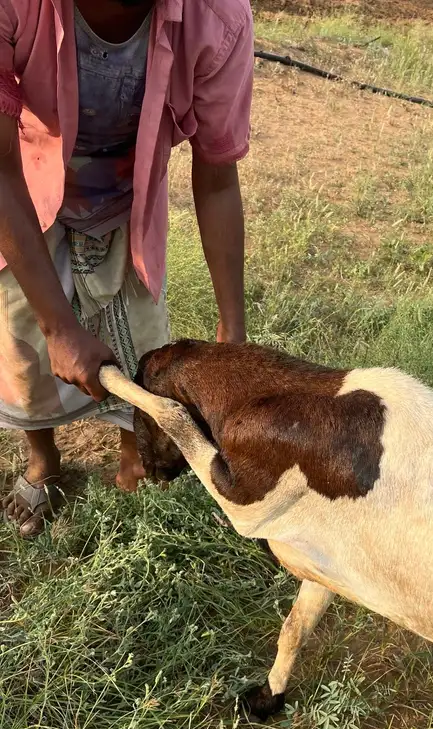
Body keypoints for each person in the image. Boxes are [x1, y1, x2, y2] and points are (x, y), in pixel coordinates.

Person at [0, 0, 253, 536]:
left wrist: (234, 332)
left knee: (142, 356)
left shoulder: (219, 16)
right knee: (26, 356)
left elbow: (218, 175)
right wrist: (60, 328)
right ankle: (44, 459)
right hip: (26, 193)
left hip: (128, 202)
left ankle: (133, 459)